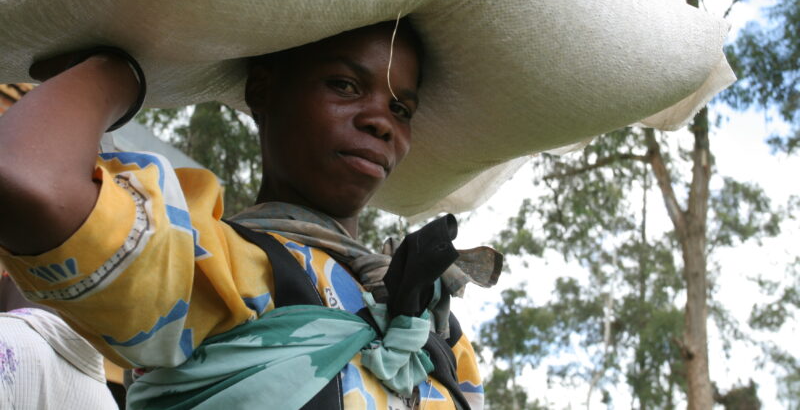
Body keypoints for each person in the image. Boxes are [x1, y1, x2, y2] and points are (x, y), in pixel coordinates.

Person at [0, 20, 491, 409]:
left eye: (402, 109)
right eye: (344, 85)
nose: (380, 121)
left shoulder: (439, 329)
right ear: (262, 90)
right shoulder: (216, 264)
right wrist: (122, 70)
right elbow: (29, 180)